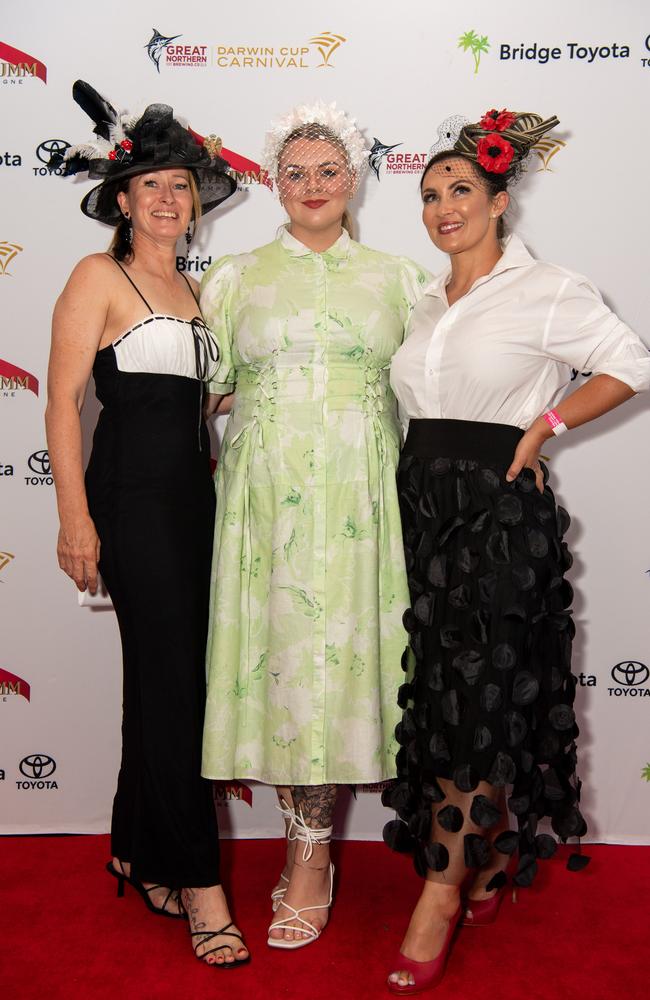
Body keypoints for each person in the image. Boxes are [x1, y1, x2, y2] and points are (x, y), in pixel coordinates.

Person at [383, 107, 650, 993]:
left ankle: (439, 889)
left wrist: (542, 428)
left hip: (498, 520)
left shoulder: (550, 290)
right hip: (424, 517)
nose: (442, 206)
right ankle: (486, 857)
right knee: (454, 703)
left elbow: (630, 363)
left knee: (479, 703)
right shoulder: (424, 301)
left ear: (500, 200)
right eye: (429, 195)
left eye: (461, 190)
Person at [199, 101, 430, 950]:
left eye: (328, 170)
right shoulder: (233, 276)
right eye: (293, 172)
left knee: (346, 668)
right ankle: (307, 849)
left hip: (363, 499)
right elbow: (205, 389)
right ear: (271, 181)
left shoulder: (402, 278)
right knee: (287, 665)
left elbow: (440, 388)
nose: (311, 186)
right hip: (264, 498)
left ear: (356, 178)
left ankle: (322, 853)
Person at [45, 81, 249, 968]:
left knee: (165, 688)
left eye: (182, 186)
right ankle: (201, 887)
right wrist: (74, 520)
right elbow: (60, 405)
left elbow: (201, 407)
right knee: (175, 696)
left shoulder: (198, 290)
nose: (169, 199)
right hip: (130, 506)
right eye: (152, 186)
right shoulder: (100, 276)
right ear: (122, 200)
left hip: (196, 506)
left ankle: (137, 847)